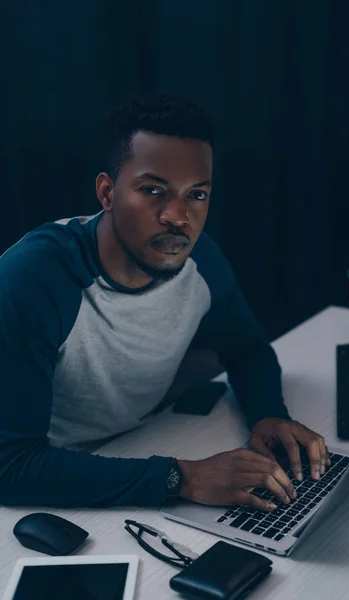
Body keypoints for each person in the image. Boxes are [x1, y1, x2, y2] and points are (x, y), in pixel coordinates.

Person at [0, 92, 329, 511]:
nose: (178, 216)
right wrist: (182, 477)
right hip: (49, 479)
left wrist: (267, 413)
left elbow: (247, 349)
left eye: (196, 195)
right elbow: (9, 466)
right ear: (107, 192)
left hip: (142, 440)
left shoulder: (199, 257)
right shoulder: (34, 277)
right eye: (154, 190)